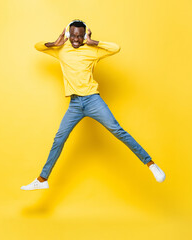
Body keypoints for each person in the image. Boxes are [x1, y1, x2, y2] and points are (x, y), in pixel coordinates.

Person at [21, 19, 165, 191]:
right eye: (73, 35)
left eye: (80, 36)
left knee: (117, 130)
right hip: (75, 104)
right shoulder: (60, 50)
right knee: (59, 138)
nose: (76, 39)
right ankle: (42, 179)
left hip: (92, 100)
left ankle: (150, 164)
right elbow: (38, 46)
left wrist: (93, 42)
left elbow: (115, 48)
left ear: (84, 36)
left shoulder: (92, 50)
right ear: (68, 34)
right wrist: (56, 41)